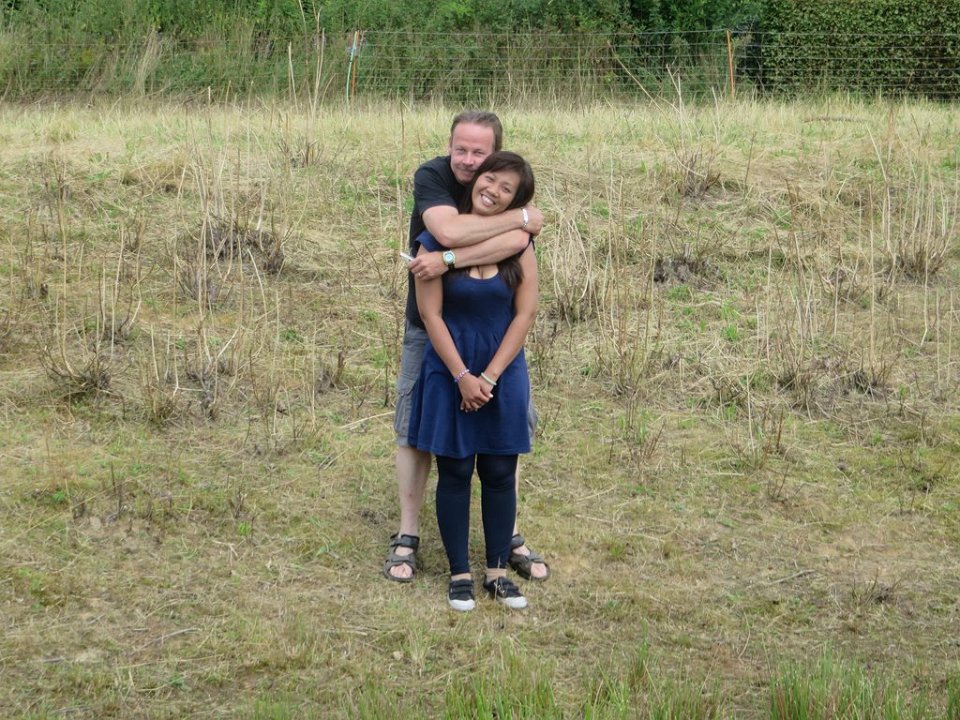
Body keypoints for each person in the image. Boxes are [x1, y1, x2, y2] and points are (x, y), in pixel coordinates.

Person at [383, 111, 550, 584]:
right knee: (414, 425)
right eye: (461, 149)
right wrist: (519, 218)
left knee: (509, 429)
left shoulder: (498, 187)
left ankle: (508, 534)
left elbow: (517, 244)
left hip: (493, 334)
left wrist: (452, 258)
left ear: (495, 154)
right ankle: (407, 534)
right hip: (431, 326)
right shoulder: (433, 177)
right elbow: (449, 233)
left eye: (480, 153)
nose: (469, 160)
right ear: (449, 146)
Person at [407, 151, 538, 610]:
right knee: (457, 470)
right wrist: (463, 376)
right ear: (475, 179)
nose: (493, 190)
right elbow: (430, 315)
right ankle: (459, 574)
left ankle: (498, 573)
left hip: (503, 370)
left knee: (500, 471)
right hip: (450, 369)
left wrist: (490, 376)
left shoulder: (519, 244)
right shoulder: (431, 243)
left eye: (507, 189)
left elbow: (525, 313)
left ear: (515, 201)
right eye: (490, 178)